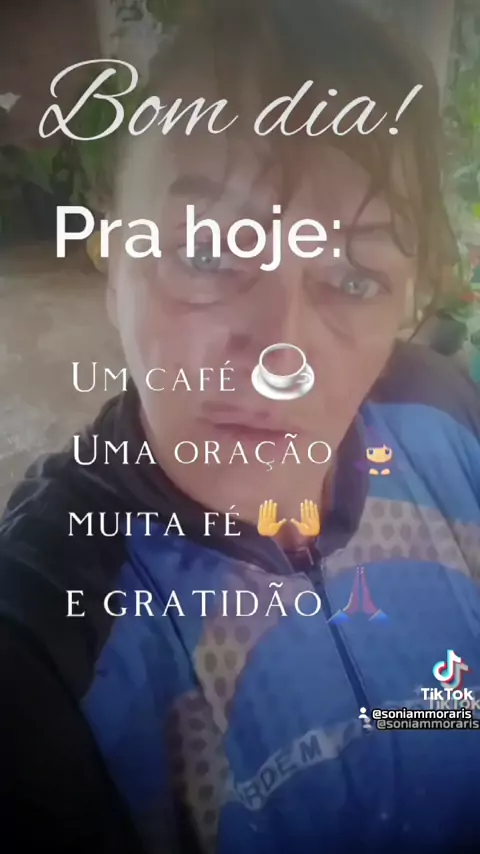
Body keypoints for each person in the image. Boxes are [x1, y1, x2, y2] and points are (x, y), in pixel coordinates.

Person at [2, 1, 480, 852]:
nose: (277, 354)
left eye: (353, 278)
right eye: (206, 254)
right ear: (113, 266)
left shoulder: (446, 423)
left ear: (409, 299)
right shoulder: (49, 645)